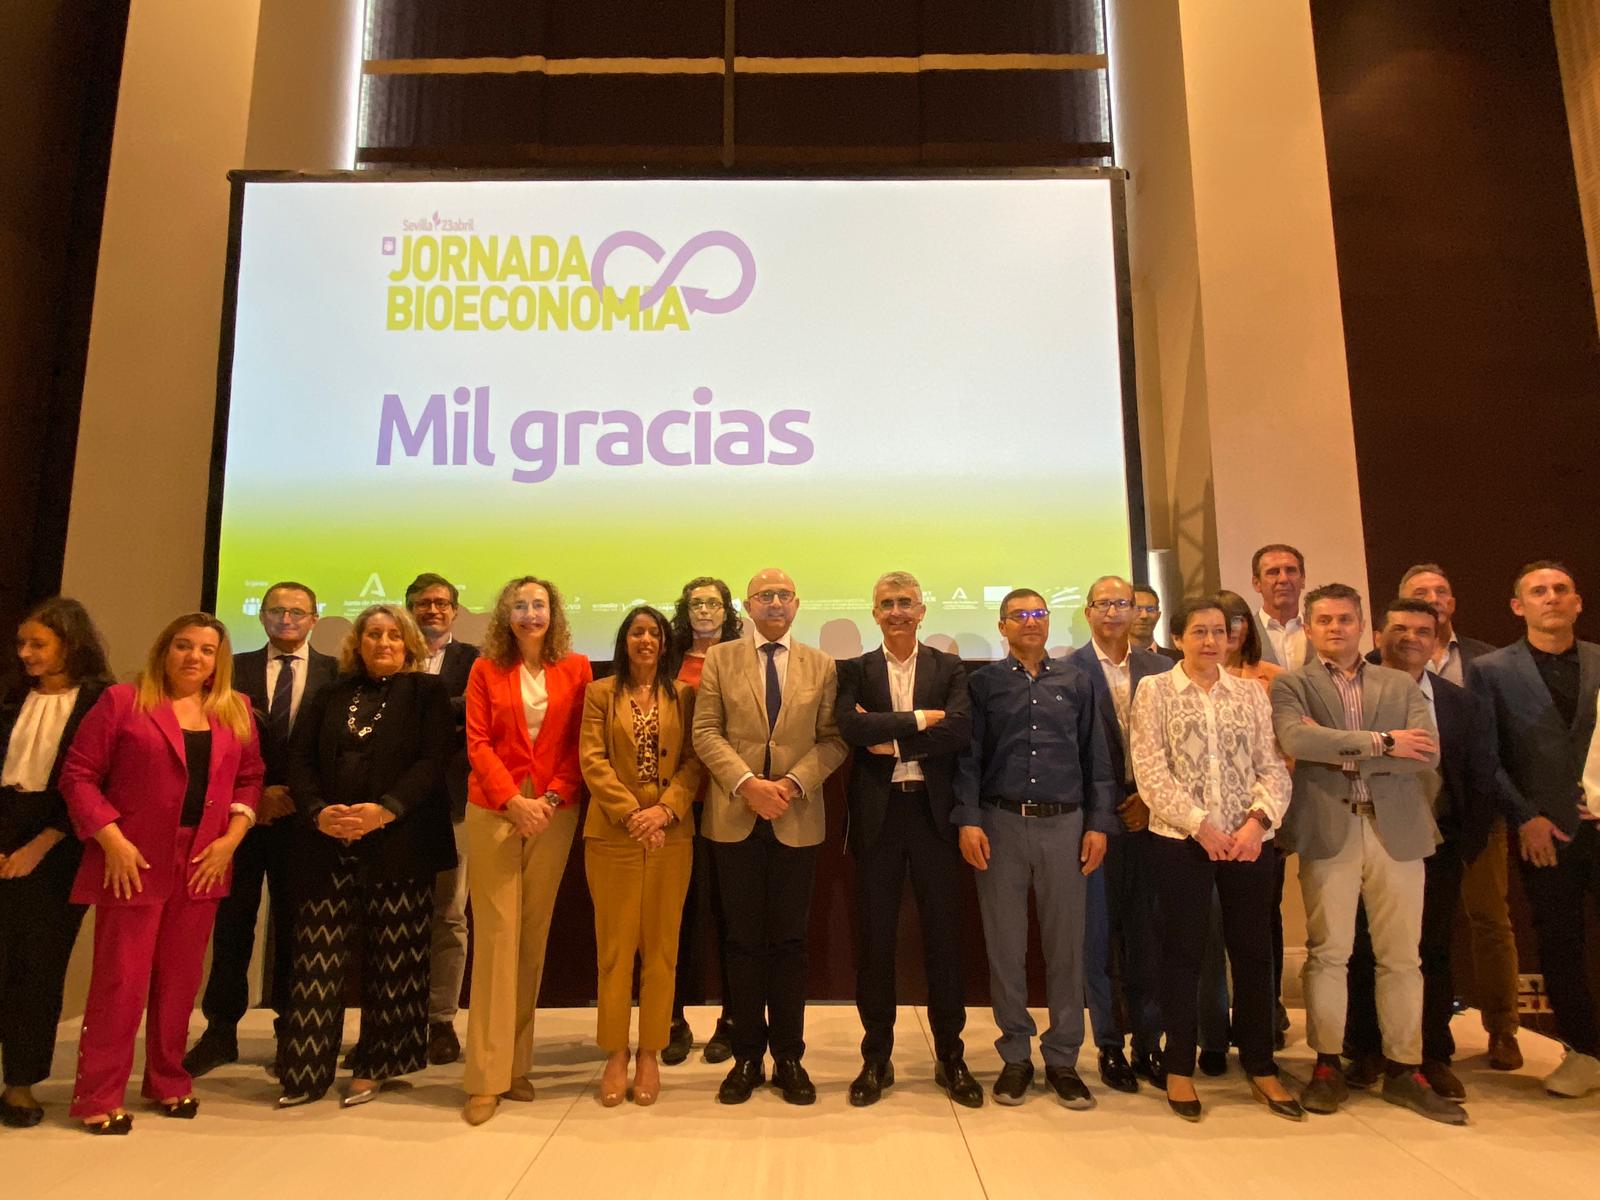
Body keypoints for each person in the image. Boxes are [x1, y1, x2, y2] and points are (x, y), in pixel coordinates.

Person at [60, 613, 264, 1133]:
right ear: (164, 650)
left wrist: (231, 839)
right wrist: (112, 840)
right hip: (133, 858)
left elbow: (249, 779)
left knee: (179, 982)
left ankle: (168, 1081)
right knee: (120, 982)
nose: (194, 657)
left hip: (203, 858)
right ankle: (98, 1095)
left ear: (218, 660)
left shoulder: (235, 709)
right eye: (183, 646)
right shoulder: (123, 702)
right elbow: (79, 776)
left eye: (206, 650)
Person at [1272, 583, 1465, 1124]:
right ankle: (1328, 1065)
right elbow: (1296, 743)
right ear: (1309, 629)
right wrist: (1383, 743)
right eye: (1326, 621)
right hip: (1330, 832)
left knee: (1403, 957)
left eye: (1346, 619)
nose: (1337, 628)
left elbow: (1425, 756)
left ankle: (1406, 1069)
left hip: (1396, 831)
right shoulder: (1292, 685)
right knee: (1329, 952)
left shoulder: (1399, 682)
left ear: (1364, 627)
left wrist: (1338, 745)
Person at [276, 604, 453, 1108]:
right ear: (359, 642)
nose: (384, 643)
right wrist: (317, 813)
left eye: (395, 635)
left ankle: (378, 1065)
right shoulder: (329, 692)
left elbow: (432, 761)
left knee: (394, 960)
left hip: (400, 842)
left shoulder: (426, 693)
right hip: (325, 841)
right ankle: (305, 1073)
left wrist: (385, 811)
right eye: (374, 634)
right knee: (316, 959)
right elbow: (301, 759)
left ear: (410, 644)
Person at [1130, 594, 1299, 1121]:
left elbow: (1274, 767)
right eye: (1198, 632)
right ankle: (1179, 1067)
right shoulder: (1154, 689)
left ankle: (1262, 1066)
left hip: (1249, 843)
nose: (1210, 641)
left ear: (1232, 638)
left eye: (1219, 632)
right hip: (1181, 842)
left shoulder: (1251, 694)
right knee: (1182, 954)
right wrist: (1202, 827)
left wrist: (1256, 824)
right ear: (1178, 638)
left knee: (1253, 954)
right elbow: (1150, 771)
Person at [692, 568, 847, 1105]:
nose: (775, 603)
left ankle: (789, 1057)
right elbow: (704, 731)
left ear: (797, 604)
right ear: (749, 606)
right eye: (764, 596)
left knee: (789, 943)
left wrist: (790, 784)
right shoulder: (720, 658)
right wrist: (747, 784)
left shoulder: (822, 664)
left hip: (796, 817)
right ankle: (746, 1058)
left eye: (783, 595)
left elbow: (832, 740)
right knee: (742, 942)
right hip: (735, 815)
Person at [954, 588, 1114, 1109]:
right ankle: (1016, 1055)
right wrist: (969, 820)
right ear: (1002, 627)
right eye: (1019, 615)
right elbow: (970, 758)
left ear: (1050, 623)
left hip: (1065, 826)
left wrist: (1098, 824)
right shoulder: (983, 684)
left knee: (1066, 947)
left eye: (1039, 613)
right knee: (1006, 947)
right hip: (1000, 824)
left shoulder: (1078, 680)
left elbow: (1097, 757)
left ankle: (1064, 1058)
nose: (1031, 622)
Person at [1344, 598, 1501, 1101]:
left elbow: (1479, 775)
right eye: (1400, 628)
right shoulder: (1350, 693)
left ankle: (1431, 1052)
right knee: (1366, 948)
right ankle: (1366, 1048)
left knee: (1430, 949)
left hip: (1439, 844)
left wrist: (1463, 842)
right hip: (1369, 837)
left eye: (1422, 630)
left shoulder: (1459, 702)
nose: (1410, 637)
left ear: (1437, 640)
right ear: (1380, 634)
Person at [836, 571, 980, 1108]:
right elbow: (847, 729)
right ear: (874, 613)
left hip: (933, 817)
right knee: (874, 943)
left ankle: (952, 1055)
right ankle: (876, 1056)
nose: (896, 611)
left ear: (923, 611)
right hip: (878, 820)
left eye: (906, 603)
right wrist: (919, 721)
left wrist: (891, 740)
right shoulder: (855, 669)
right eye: (886, 604)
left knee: (944, 938)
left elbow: (960, 730)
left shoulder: (950, 667)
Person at [186, 581, 338, 1079]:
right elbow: (214, 742)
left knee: (298, 927)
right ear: (262, 616)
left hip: (306, 819)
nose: (287, 620)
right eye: (277, 610)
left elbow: (333, 751)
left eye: (297, 612)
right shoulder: (233, 672)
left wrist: (293, 794)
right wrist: (255, 797)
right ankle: (220, 1031)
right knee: (232, 926)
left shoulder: (336, 675)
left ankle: (292, 1031)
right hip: (238, 819)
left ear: (315, 619)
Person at [460, 576, 590, 1125]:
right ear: (506, 615)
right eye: (520, 605)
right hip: (494, 809)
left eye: (539, 605)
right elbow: (477, 743)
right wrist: (513, 800)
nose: (530, 613)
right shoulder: (485, 668)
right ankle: (484, 1078)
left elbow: (578, 741)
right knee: (496, 937)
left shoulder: (578, 667)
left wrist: (552, 797)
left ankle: (516, 1067)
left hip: (555, 812)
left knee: (530, 937)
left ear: (553, 613)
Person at [1473, 560, 1600, 1097]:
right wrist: (1526, 816)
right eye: (1538, 591)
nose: (1552, 598)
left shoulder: (1599, 662)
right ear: (1517, 606)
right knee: (1561, 941)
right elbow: (1486, 755)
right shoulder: (1492, 671)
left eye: (1561, 590)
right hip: (1546, 831)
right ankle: (1584, 1053)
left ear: (1577, 602)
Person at [1393, 563, 1520, 1071]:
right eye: (1420, 595)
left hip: (1473, 814)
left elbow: (1498, 744)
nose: (1433, 600)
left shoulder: (1487, 661)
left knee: (1488, 918)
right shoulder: (1382, 669)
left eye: (1441, 592)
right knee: (1417, 932)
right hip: (1403, 824)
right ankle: (1408, 1037)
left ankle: (1504, 1027)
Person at [579, 606, 701, 1106]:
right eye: (637, 632)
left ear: (665, 642)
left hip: (671, 835)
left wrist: (664, 812)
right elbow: (592, 758)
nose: (645, 640)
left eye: (654, 632)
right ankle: (614, 1052)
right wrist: (633, 813)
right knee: (614, 949)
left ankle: (650, 1051)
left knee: (661, 949)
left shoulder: (685, 695)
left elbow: (696, 761)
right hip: (614, 834)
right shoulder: (598, 693)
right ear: (624, 641)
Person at [0, 599, 112, 1127]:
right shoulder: (12, 696)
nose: (25, 654)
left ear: (69, 643)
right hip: (4, 828)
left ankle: (19, 1083)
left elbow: (99, 782)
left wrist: (40, 845)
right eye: (22, 644)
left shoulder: (101, 701)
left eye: (37, 644)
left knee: (35, 967)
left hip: (59, 843)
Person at [1067, 576, 1170, 1093]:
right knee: (1098, 937)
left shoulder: (1164, 669)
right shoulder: (1069, 671)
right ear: (1087, 612)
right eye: (1103, 604)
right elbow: (1071, 758)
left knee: (1149, 936)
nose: (1113, 612)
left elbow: (1177, 750)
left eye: (1123, 604)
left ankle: (1149, 1043)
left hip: (1156, 817)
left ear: (1138, 613)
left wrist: (1151, 801)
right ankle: (1108, 1044)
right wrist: (1104, 811)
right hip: (1097, 821)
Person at [663, 575, 742, 1066]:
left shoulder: (742, 656)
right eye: (696, 603)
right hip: (675, 804)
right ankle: (669, 1019)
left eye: (714, 603)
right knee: (673, 917)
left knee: (730, 915)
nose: (705, 610)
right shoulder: (667, 658)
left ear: (728, 610)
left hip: (730, 802)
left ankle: (732, 1021)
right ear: (684, 609)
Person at [406, 572, 481, 1067]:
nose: (432, 611)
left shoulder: (475, 661)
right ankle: (395, 1019)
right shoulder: (389, 651)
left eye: (441, 603)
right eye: (423, 603)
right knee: (395, 914)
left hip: (453, 801)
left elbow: (472, 712)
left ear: (455, 610)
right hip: (391, 805)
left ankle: (439, 1021)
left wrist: (419, 705)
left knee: (449, 916)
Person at [1217, 586, 1291, 1049]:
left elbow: (1283, 755)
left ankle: (1264, 1016)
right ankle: (1213, 1025)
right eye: (1221, 621)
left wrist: (1258, 818)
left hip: (1259, 824)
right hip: (1202, 829)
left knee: (1261, 925)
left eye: (1238, 619)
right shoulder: (1177, 679)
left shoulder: (1273, 679)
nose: (1230, 629)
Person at [1251, 544, 1308, 670]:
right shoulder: (1244, 635)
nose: (1283, 579)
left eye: (1291, 571)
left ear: (1303, 579)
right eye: (1273, 572)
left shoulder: (1320, 630)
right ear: (1257, 583)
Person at [1131, 585, 1182, 663]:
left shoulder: (1177, 661)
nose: (1144, 615)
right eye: (1138, 609)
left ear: (1158, 615)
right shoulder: (1112, 661)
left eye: (1150, 609)